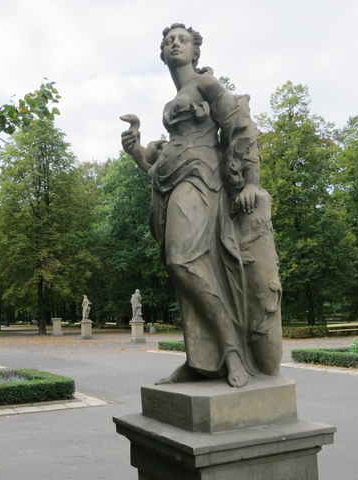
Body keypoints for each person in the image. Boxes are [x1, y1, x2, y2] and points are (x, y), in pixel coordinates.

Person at [121, 23, 282, 388]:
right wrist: (136, 153)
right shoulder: (173, 99)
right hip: (168, 183)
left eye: (182, 40)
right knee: (183, 272)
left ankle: (232, 351)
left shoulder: (207, 84)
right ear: (162, 54)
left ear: (195, 51)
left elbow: (240, 125)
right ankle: (199, 362)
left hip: (201, 177)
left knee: (183, 261)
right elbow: (157, 164)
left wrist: (251, 181)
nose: (174, 44)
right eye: (168, 41)